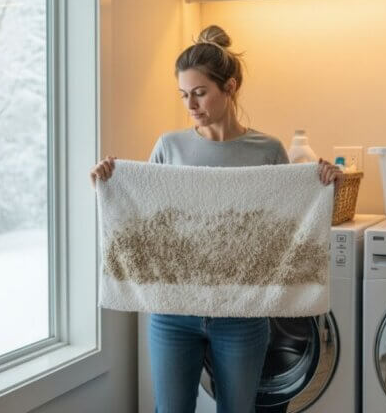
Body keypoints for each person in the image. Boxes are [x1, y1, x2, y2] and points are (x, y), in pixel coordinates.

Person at [90, 25, 341, 413]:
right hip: (173, 315)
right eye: (184, 95)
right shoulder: (168, 145)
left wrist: (322, 184)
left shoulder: (268, 149)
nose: (191, 105)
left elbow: (285, 228)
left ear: (230, 87)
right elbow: (148, 221)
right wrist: (110, 181)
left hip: (242, 316)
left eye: (200, 93)